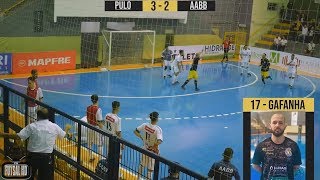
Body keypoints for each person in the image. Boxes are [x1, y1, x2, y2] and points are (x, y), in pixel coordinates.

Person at [0, 108, 72, 180]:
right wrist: (66, 129)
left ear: (37, 116)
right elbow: (64, 135)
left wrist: (2, 134)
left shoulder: (32, 126)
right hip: (46, 158)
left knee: (28, 176)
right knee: (44, 178)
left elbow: (18, 136)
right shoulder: (54, 126)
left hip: (32, 157)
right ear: (48, 116)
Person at [252, 113, 302, 180]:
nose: (277, 125)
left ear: (285, 126)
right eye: (274, 122)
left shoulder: (293, 146)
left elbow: (296, 166)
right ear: (270, 125)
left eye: (280, 123)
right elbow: (255, 165)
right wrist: (266, 174)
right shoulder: (261, 146)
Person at [134, 112, 163, 179]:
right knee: (150, 170)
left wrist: (141, 137)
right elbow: (160, 141)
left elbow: (135, 131)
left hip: (145, 148)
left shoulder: (145, 125)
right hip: (152, 152)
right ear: (157, 119)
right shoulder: (158, 129)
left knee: (142, 165)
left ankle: (138, 178)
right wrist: (154, 146)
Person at [86, 94, 104, 162]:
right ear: (97, 100)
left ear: (91, 100)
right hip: (96, 129)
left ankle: (90, 157)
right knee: (100, 144)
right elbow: (99, 122)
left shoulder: (88, 107)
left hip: (89, 127)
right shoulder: (98, 109)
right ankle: (101, 160)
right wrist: (102, 127)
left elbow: (88, 119)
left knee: (90, 143)